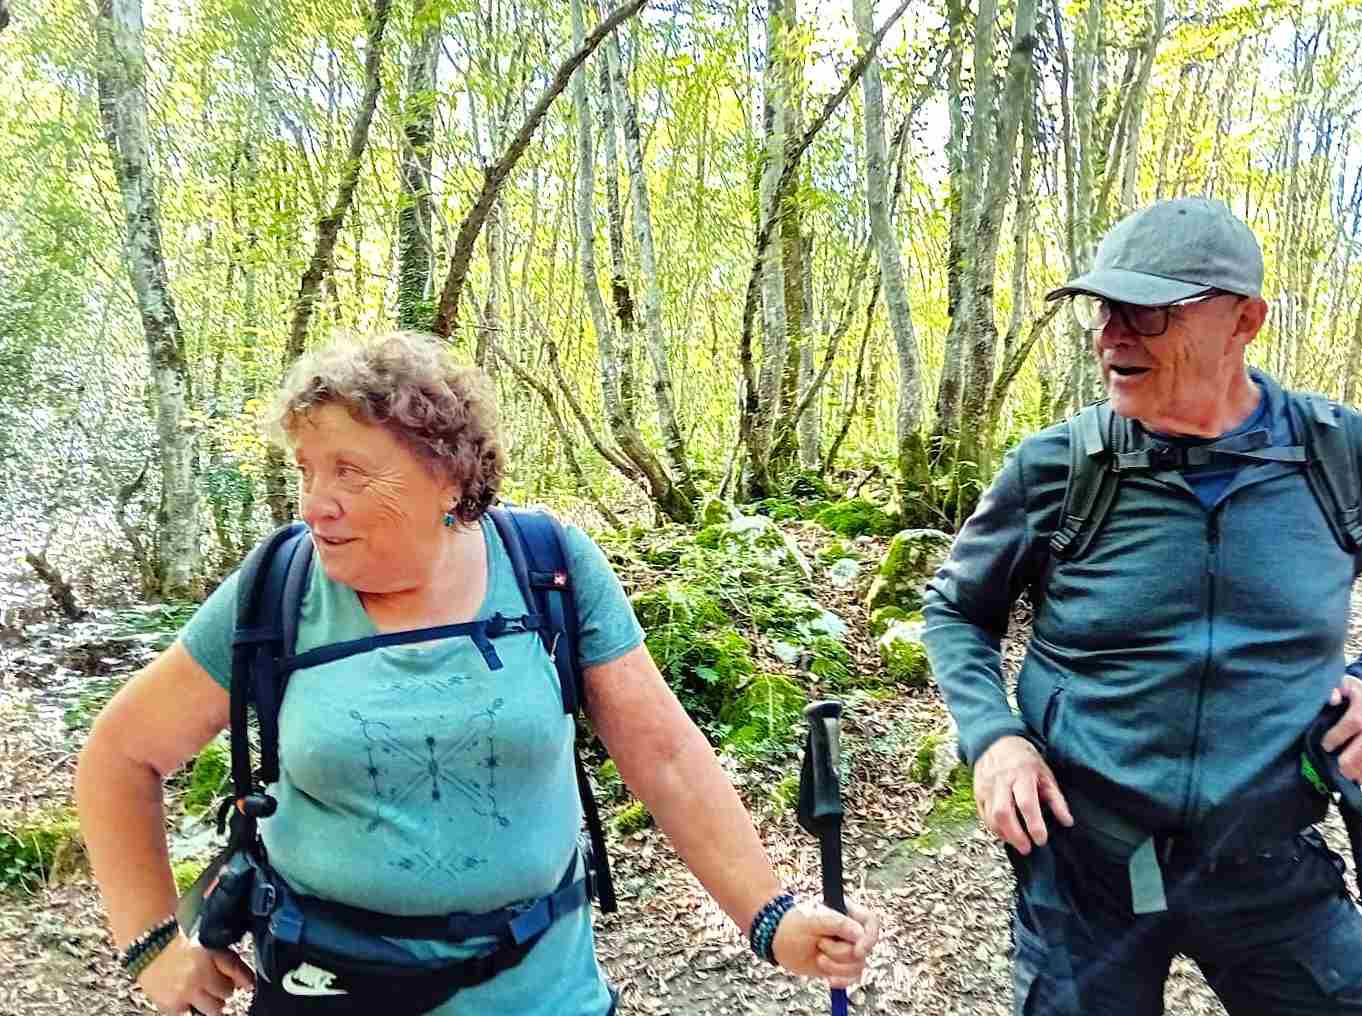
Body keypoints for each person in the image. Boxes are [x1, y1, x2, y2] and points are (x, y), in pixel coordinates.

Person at [76, 331, 880, 1016]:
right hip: (327, 986)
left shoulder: (547, 569)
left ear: (450, 477)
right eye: (306, 470)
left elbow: (664, 756)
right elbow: (120, 755)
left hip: (540, 990)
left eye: (350, 471)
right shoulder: (276, 590)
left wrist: (770, 918)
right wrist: (153, 946)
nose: (316, 502)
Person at [921, 197, 1362, 1015]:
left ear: (1244, 321)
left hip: (1267, 867)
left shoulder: (1346, 459)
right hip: (1084, 874)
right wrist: (993, 740)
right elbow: (956, 611)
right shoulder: (1059, 468)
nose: (1111, 336)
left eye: (1147, 312)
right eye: (1103, 310)